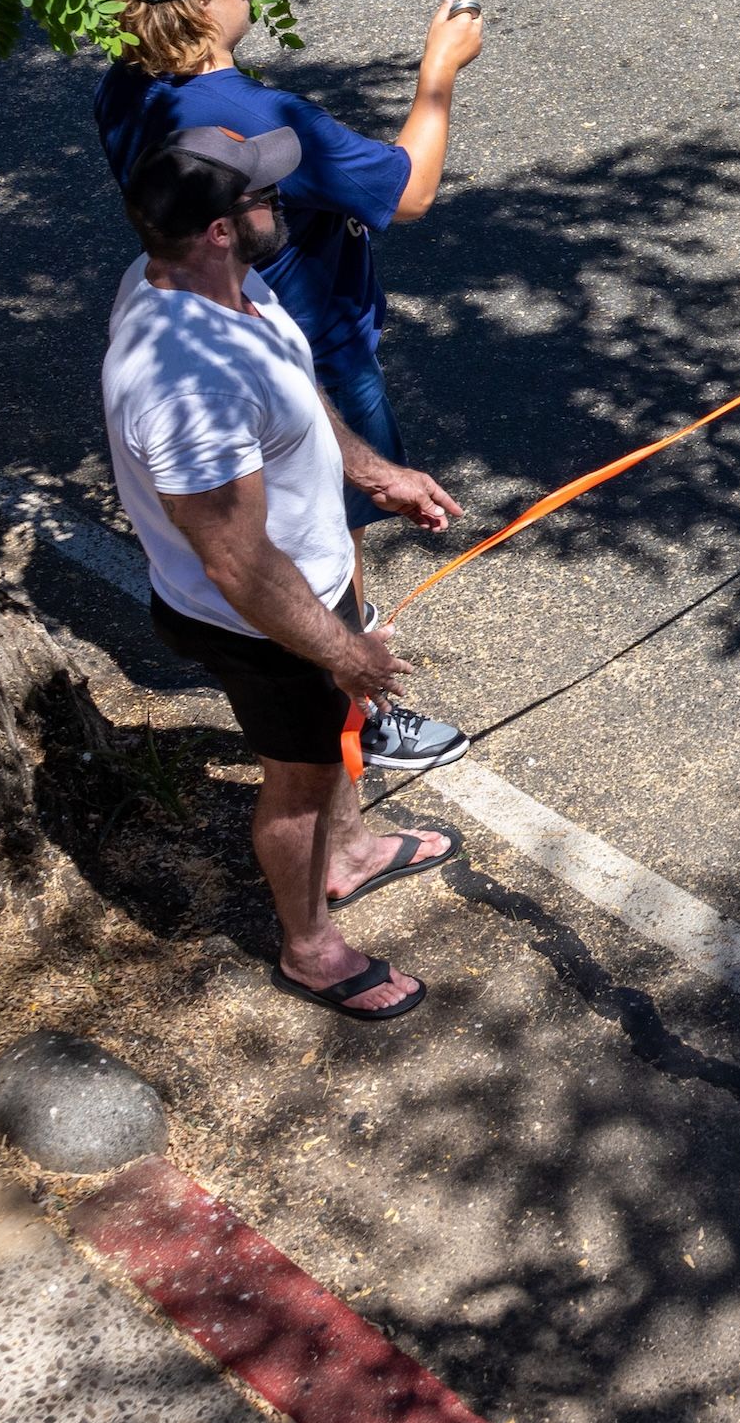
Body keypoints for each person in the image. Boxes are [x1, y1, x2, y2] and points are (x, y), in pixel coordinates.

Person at [95, 0, 486, 772]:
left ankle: (326, 672)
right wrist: (440, 70)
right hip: (307, 340)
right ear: (206, 8)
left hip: (229, 309)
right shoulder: (257, 114)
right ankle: (355, 705)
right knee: (323, 531)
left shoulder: (124, 84)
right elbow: (410, 190)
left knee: (301, 518)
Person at [102, 124, 467, 1023]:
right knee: (299, 778)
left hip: (303, 591)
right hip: (260, 621)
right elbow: (235, 558)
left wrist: (369, 468)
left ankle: (347, 856)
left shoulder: (221, 284)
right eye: (261, 197)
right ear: (221, 228)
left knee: (326, 738)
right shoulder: (188, 384)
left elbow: (293, 393)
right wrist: (339, 649)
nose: (280, 203)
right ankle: (310, 950)